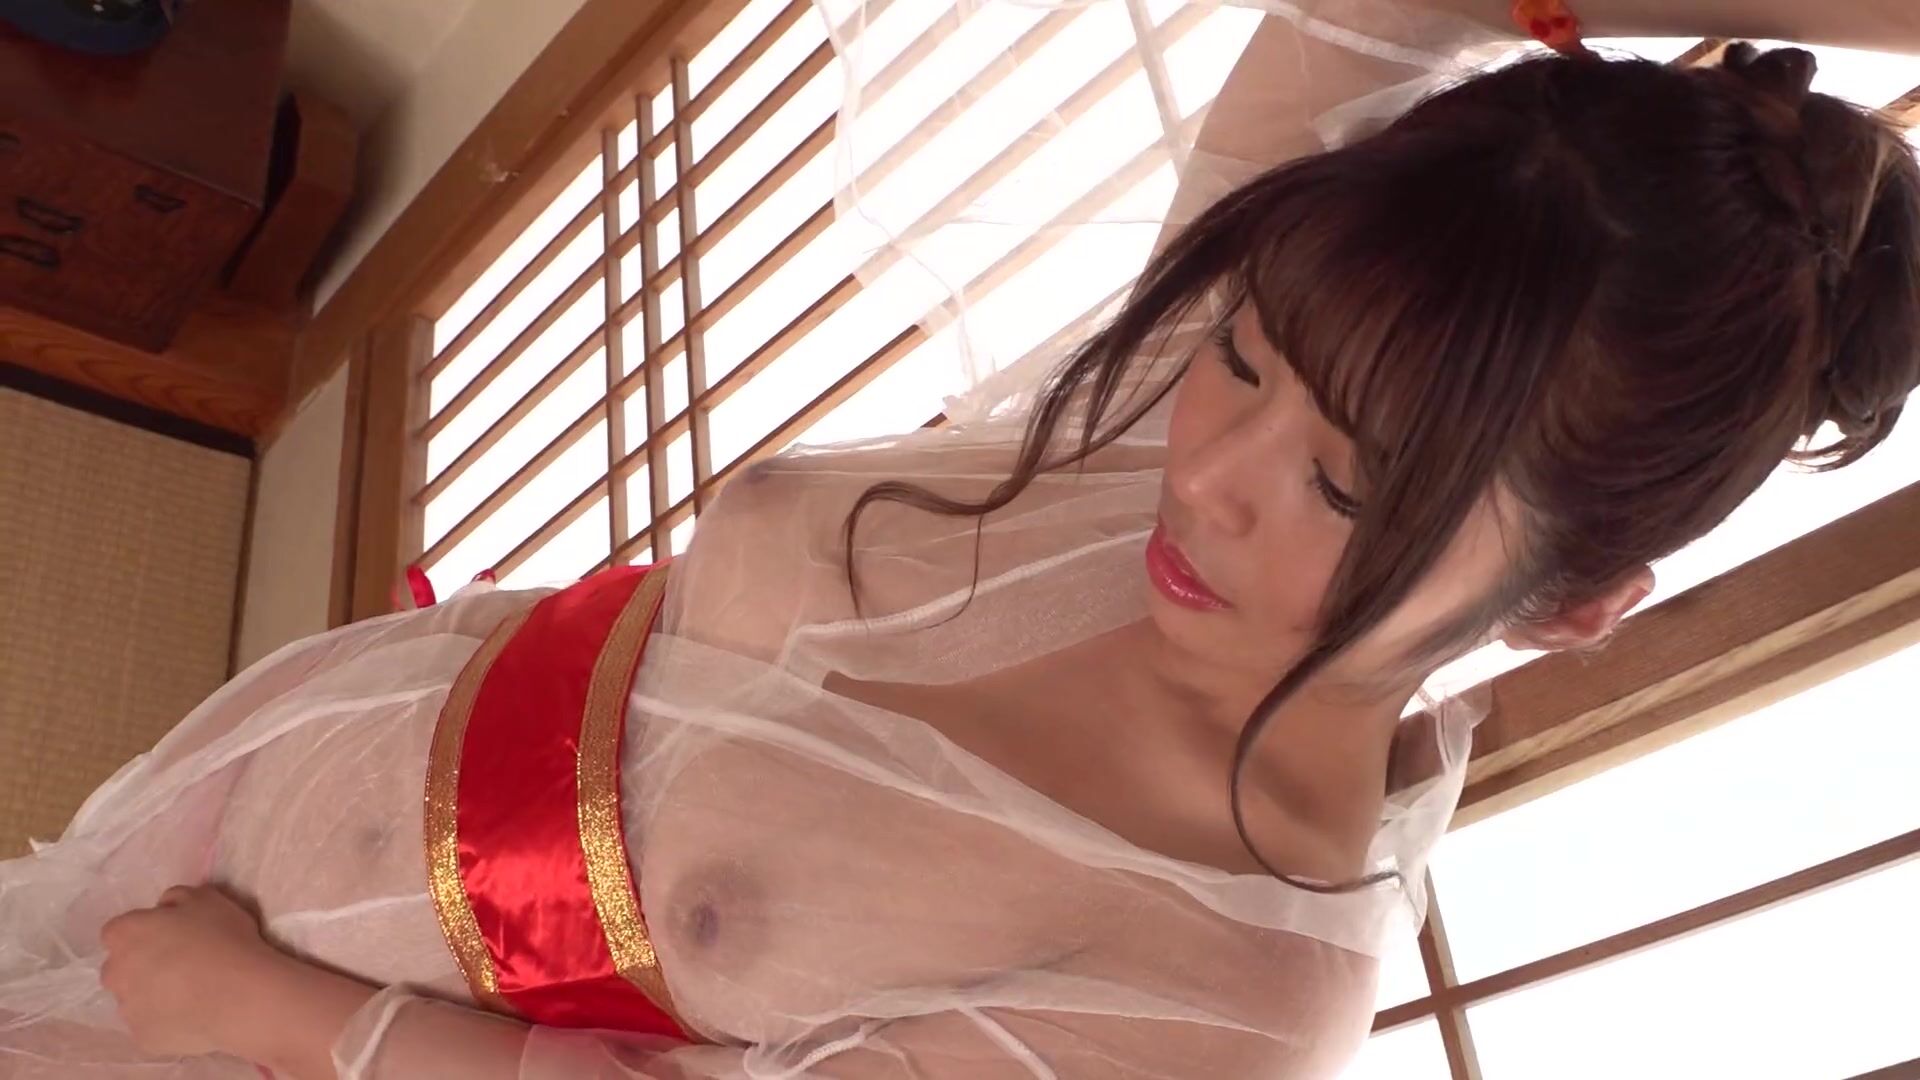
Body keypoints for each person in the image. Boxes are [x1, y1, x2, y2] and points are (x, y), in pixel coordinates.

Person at [4, 0, 1918, 1076]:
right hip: (240, 774)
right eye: (1242, 356)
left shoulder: (1228, 998)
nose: (1209, 474)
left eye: (1345, 491)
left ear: (1576, 606)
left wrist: (270, 1014)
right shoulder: (1200, 400)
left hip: (223, 1030)